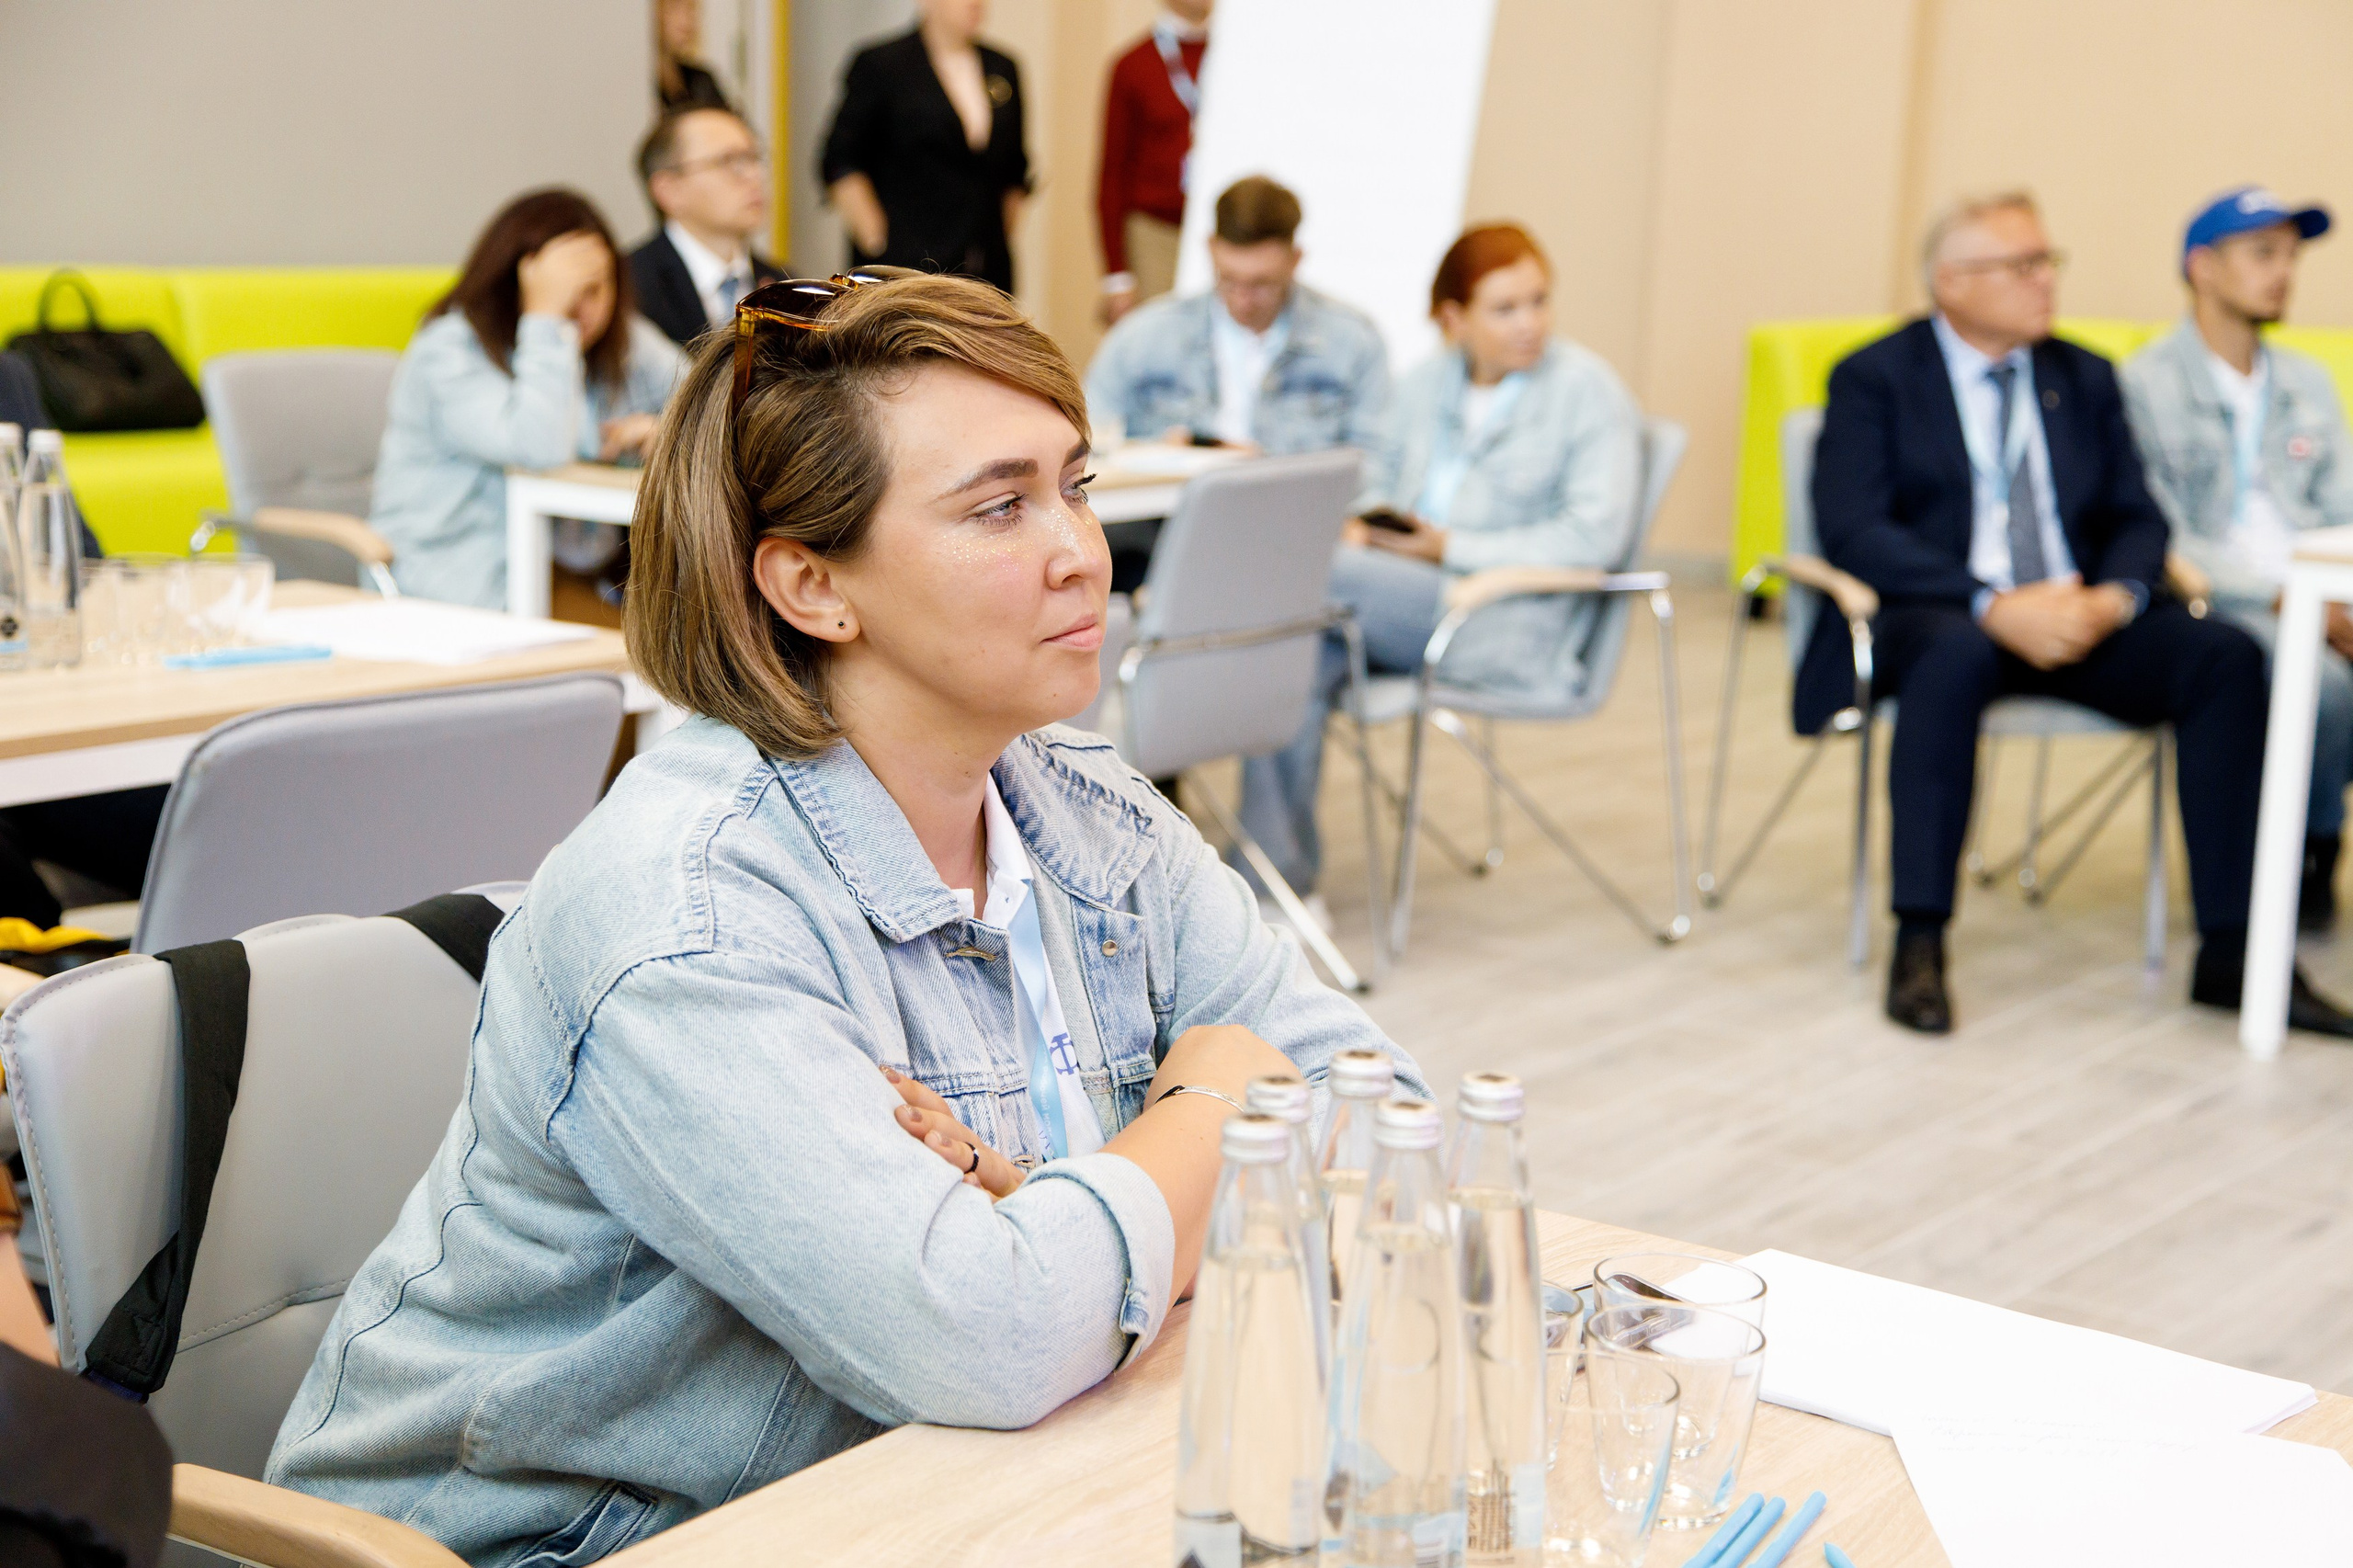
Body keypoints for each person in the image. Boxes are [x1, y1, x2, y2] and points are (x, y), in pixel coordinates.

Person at [266, 271, 1424, 1563]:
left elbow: (1389, 1124)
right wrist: (1212, 1111)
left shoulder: (1087, 805)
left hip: (925, 1497)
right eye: (999, 507)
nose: (1079, 549)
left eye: (1076, 484)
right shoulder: (684, 915)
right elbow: (992, 1332)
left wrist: (1053, 1204)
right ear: (813, 587)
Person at [1801, 191, 2353, 1038]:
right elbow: (1855, 529)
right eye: (2021, 266)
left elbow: (2139, 516)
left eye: (2047, 262)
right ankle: (1921, 940)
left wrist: (2115, 597)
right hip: (1945, 612)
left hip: (2077, 614)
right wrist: (1993, 604)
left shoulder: (2083, 375)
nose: (2044, 282)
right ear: (1951, 283)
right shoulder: (1876, 376)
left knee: (2227, 658)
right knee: (1951, 659)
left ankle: (2237, 956)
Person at [1236, 223, 1641, 904]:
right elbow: (1376, 479)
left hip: (1506, 617)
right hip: (1396, 599)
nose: (1530, 323)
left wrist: (1448, 548)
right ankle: (1275, 889)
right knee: (1293, 655)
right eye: (1506, 309)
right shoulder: (1424, 383)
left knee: (1303, 577)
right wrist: (1371, 525)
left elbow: (1591, 537)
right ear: (1452, 319)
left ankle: (1178, 645)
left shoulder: (1588, 392)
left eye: (1539, 301)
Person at [2121, 187, 2353, 932]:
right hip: (2227, 601)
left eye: (2291, 256)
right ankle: (2309, 848)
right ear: (2203, 268)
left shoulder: (2308, 383)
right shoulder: (2145, 384)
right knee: (2317, 684)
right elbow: (2163, 533)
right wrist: (2292, 598)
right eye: (2263, 254)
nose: (2283, 272)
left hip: (2323, 590)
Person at [370, 189, 681, 609]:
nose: (581, 310)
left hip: (567, 579)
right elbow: (540, 448)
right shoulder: (449, 349)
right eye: (565, 291)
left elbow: (710, 403)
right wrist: (546, 319)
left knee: (672, 647)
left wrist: (671, 429)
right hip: (458, 587)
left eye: (595, 290)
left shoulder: (620, 340)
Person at [1085, 175, 1387, 455]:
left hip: (1300, 511)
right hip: (1168, 510)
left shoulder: (1352, 342)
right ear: (1210, 249)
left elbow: (1373, 464)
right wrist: (1151, 453)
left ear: (1295, 261)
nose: (1243, 301)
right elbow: (1089, 446)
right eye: (1228, 280)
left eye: (1261, 284)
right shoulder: (1142, 338)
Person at [819, 0, 1030, 294]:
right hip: (904, 265)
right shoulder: (882, 64)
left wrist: (996, 237)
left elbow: (1015, 170)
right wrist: (877, 241)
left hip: (984, 269)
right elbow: (841, 161)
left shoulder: (1003, 68)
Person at [628, 106, 784, 349]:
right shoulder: (630, 287)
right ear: (669, 190)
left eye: (754, 159)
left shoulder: (782, 283)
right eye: (729, 161)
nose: (754, 175)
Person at [1096, 0, 1211, 325]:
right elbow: (1112, 173)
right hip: (1154, 233)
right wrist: (1117, 276)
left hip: (1218, 229)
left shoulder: (1233, 61)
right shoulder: (1133, 64)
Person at [654, 0, 730, 113]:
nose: (687, 21)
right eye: (675, 7)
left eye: (691, 9)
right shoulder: (636, 82)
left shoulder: (702, 81)